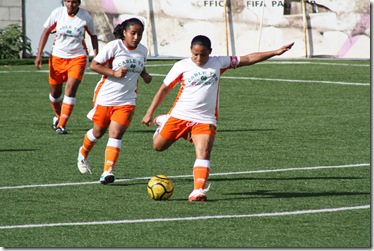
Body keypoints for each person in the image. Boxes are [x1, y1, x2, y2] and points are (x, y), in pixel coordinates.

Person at [141, 35, 294, 201]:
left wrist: (276, 52)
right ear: (190, 51)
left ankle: (197, 191)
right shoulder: (181, 66)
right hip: (179, 115)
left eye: (203, 54)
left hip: (205, 119)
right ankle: (164, 120)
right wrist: (150, 112)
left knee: (204, 152)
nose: (199, 58)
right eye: (195, 54)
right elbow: (164, 89)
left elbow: (248, 58)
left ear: (210, 52)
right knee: (158, 147)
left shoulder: (218, 62)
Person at [76, 18, 152, 185]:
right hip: (106, 96)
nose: (136, 37)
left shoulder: (143, 50)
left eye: (140, 34)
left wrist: (144, 75)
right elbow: (94, 65)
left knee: (116, 134)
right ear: (124, 33)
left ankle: (107, 172)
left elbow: (138, 65)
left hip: (127, 100)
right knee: (98, 133)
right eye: (133, 33)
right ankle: (82, 155)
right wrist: (113, 72)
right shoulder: (114, 46)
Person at [34, 0, 98, 134]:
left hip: (78, 58)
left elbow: (93, 35)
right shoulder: (57, 13)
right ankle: (58, 117)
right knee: (55, 93)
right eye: (68, 1)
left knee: (70, 88)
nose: (70, 5)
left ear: (79, 3)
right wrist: (39, 55)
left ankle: (62, 125)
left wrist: (96, 55)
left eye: (74, 2)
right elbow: (46, 32)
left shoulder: (85, 16)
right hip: (57, 58)